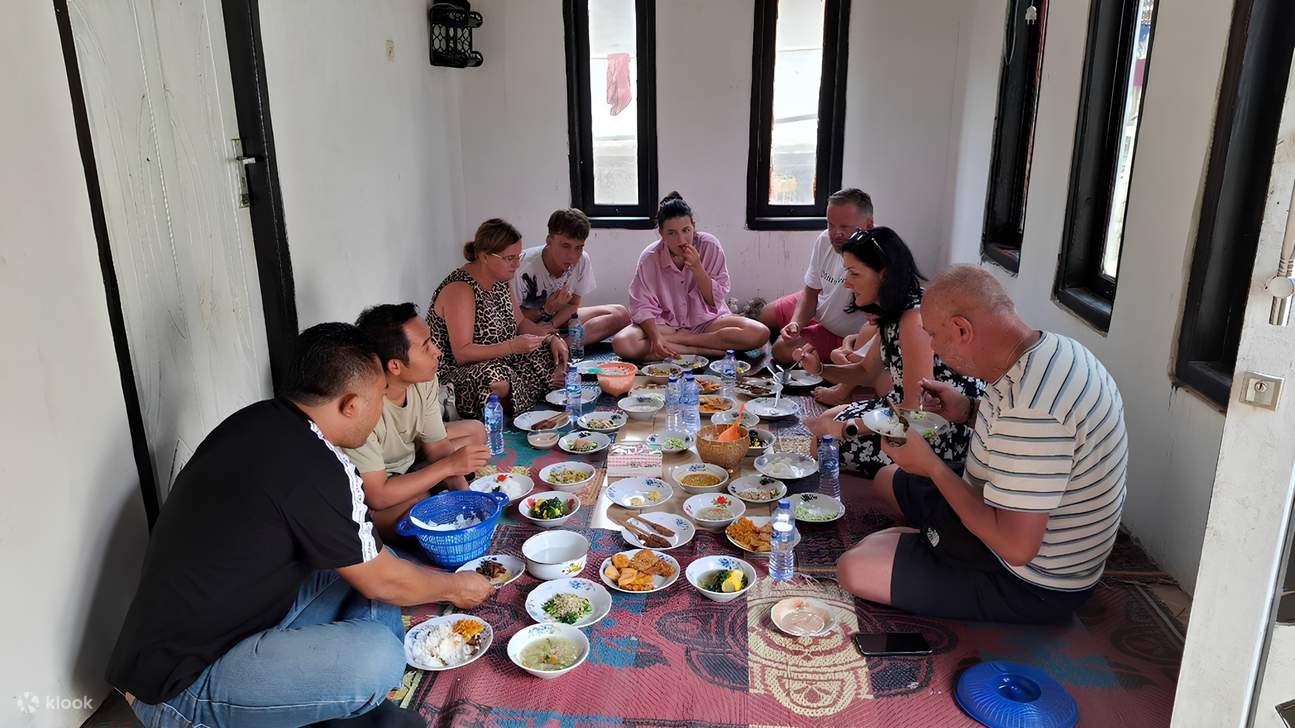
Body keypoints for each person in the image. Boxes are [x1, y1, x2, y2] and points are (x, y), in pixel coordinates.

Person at [108, 323, 493, 728]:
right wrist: (454, 586)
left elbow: (376, 571)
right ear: (350, 405)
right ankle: (340, 692)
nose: (381, 408)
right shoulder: (318, 467)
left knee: (374, 563)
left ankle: (329, 695)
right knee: (377, 654)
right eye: (378, 397)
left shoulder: (258, 420)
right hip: (177, 683)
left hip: (234, 625)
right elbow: (385, 583)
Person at [835, 265, 1127, 623]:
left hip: (1031, 580)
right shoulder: (1049, 350)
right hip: (997, 500)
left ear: (961, 329)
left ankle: (931, 542)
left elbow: (1017, 548)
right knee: (886, 478)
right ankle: (928, 539)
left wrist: (931, 467)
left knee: (854, 567)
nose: (932, 349)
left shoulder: (1032, 409)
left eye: (933, 336)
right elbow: (1027, 446)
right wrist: (968, 410)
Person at [803, 227, 983, 478]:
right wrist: (819, 369)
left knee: (823, 443)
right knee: (827, 420)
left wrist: (849, 428)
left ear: (884, 275)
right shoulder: (894, 310)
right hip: (901, 411)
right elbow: (867, 372)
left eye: (854, 273)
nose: (846, 282)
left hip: (937, 429)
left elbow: (917, 411)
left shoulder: (913, 318)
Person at [347, 303, 491, 538]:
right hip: (378, 484)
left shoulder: (424, 379)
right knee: (417, 507)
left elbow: (437, 446)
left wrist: (470, 502)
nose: (437, 351)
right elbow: (377, 495)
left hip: (412, 461)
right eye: (426, 347)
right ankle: (429, 490)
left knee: (475, 433)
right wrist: (450, 467)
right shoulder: (363, 408)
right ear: (394, 365)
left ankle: (431, 488)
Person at [428, 218, 568, 418]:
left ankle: (517, 396)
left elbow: (520, 323)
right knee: (495, 379)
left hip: (503, 359)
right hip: (461, 372)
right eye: (509, 258)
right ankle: (517, 397)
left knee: (550, 352)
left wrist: (551, 338)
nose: (517, 264)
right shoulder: (460, 289)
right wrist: (512, 346)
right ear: (485, 256)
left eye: (517, 256)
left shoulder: (500, 280)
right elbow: (462, 353)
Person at [613, 192, 769, 359]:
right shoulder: (649, 257)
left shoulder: (710, 246)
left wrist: (697, 267)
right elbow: (641, 306)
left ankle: (682, 343)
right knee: (622, 343)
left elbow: (713, 301)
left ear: (693, 226)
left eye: (686, 230)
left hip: (707, 323)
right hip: (666, 326)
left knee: (759, 333)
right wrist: (656, 337)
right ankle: (702, 350)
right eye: (671, 233)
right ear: (661, 233)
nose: (681, 239)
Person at [759, 188, 876, 367]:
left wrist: (850, 346)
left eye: (844, 226)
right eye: (830, 224)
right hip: (822, 306)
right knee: (764, 315)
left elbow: (877, 329)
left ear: (868, 225)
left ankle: (821, 348)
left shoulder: (879, 258)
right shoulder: (825, 240)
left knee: (781, 350)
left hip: (844, 334)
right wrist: (796, 324)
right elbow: (811, 291)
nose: (836, 233)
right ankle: (805, 330)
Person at [513, 208, 631, 344]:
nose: (572, 256)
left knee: (621, 314)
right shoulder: (521, 268)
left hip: (559, 319)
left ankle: (564, 346)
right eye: (565, 246)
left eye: (579, 247)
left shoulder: (582, 260)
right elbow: (512, 320)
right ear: (549, 241)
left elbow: (573, 305)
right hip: (526, 325)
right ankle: (554, 346)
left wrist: (552, 324)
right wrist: (546, 309)